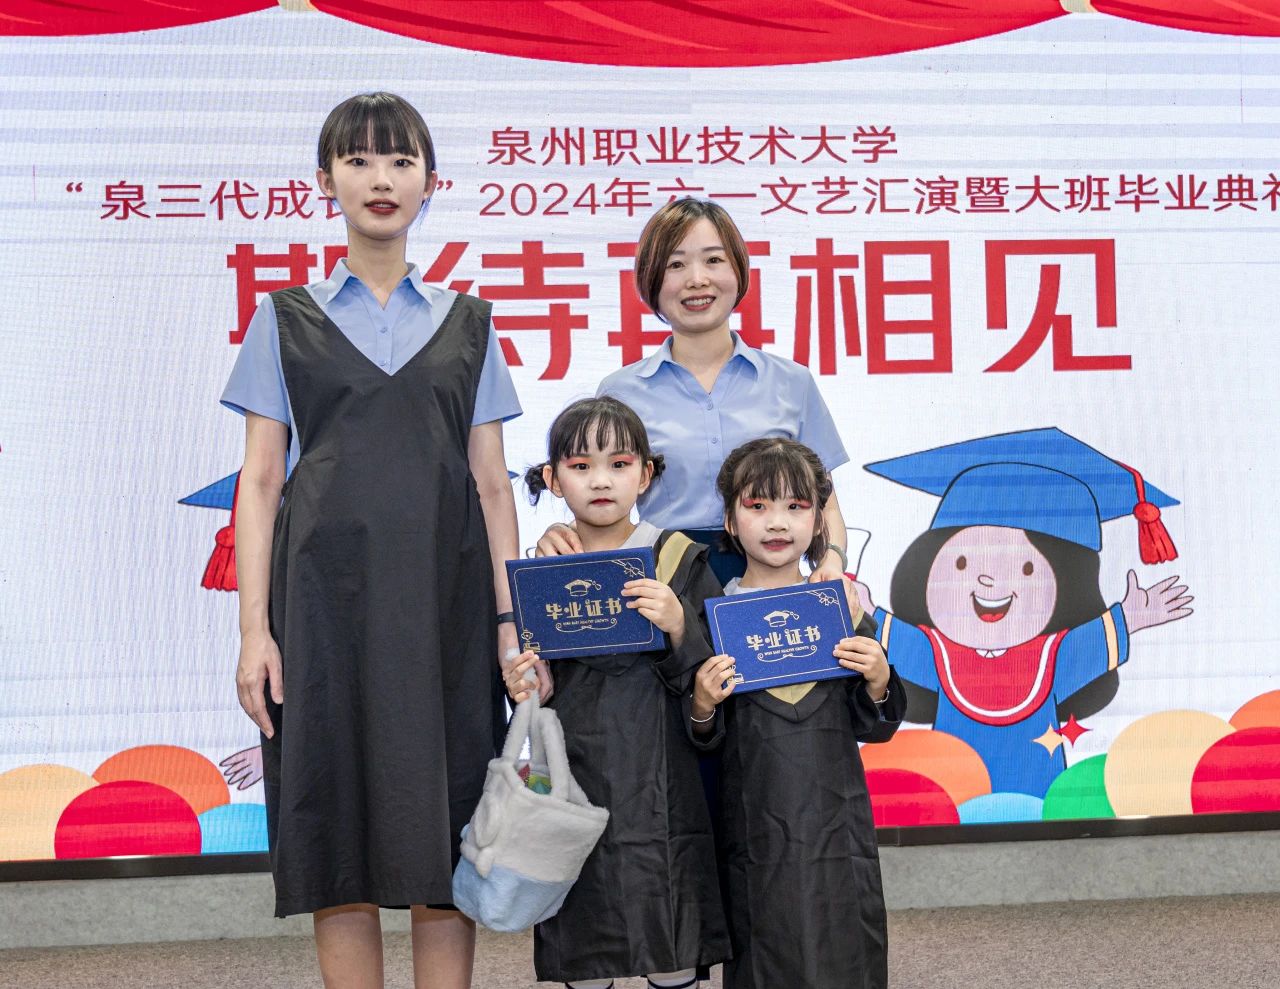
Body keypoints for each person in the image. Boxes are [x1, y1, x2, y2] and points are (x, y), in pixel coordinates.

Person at [221, 92, 527, 989]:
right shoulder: (283, 318)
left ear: (432, 181)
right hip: (323, 611)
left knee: (449, 830)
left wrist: (511, 622)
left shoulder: (470, 323)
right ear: (326, 182)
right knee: (338, 837)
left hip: (446, 609)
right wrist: (253, 630)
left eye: (400, 160)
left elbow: (492, 483)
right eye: (358, 160)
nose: (380, 178)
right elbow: (261, 480)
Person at [503, 396, 731, 989]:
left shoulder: (679, 558)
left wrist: (678, 624)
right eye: (581, 466)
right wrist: (524, 682)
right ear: (554, 479)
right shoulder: (541, 569)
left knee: (671, 927)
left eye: (619, 464)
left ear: (645, 474)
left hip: (665, 771)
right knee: (585, 926)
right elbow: (534, 683)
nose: (601, 480)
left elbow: (715, 679)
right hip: (574, 764)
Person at [853, 427, 1194, 798]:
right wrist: (865, 609)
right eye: (962, 563)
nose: (987, 580)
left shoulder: (1052, 657)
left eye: (1026, 569)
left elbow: (1085, 646)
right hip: (957, 797)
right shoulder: (938, 654)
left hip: (1038, 802)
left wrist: (1129, 618)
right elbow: (906, 645)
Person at [536, 198, 852, 586]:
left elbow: (826, 504)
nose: (697, 279)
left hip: (767, 580)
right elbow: (607, 497)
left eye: (714, 260)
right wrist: (564, 533)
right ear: (652, 280)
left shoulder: (792, 382)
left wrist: (832, 559)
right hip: (662, 579)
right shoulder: (620, 392)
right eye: (676, 265)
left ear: (738, 270)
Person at [690, 438, 905, 989]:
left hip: (837, 823)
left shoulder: (840, 610)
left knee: (846, 945)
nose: (777, 522)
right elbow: (700, 738)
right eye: (757, 506)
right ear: (730, 522)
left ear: (818, 520)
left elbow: (875, 724)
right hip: (754, 826)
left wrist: (878, 678)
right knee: (765, 945)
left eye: (795, 505)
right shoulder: (713, 620)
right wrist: (703, 705)